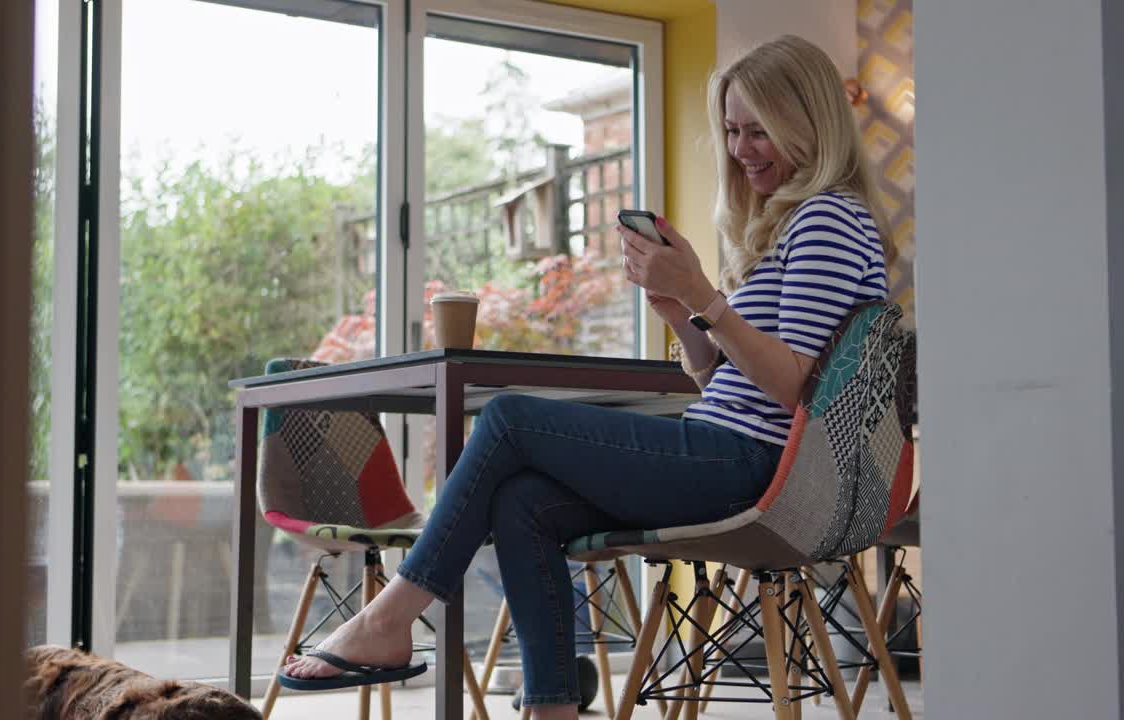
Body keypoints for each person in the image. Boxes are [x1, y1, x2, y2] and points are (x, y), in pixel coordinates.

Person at [279, 34, 895, 720]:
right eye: (731, 130)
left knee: (510, 418)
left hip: (755, 467)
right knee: (523, 501)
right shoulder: (791, 227)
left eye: (760, 131)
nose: (741, 148)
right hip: (731, 450)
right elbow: (726, 379)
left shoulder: (829, 220)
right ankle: (552, 710)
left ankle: (390, 618)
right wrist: (681, 313)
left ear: (810, 126)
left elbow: (791, 389)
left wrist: (703, 298)